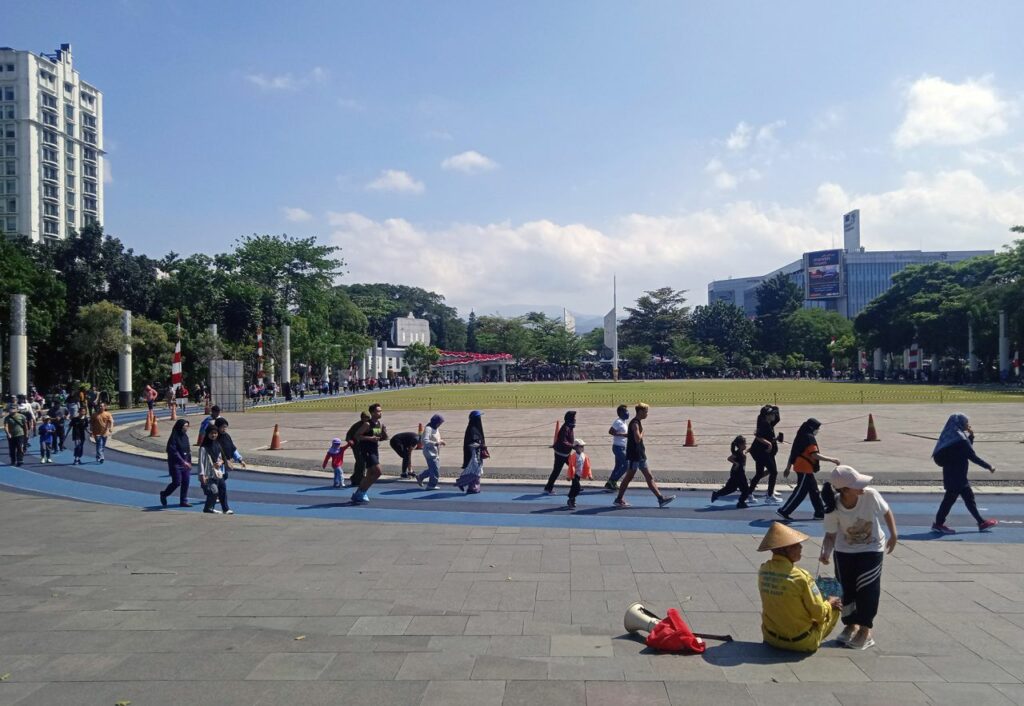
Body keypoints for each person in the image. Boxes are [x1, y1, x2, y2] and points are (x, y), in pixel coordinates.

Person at [819, 466, 898, 650]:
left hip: (872, 548)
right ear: (845, 490)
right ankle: (850, 625)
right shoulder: (833, 507)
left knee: (868, 588)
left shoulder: (870, 495)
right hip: (844, 550)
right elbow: (830, 535)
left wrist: (894, 534)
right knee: (845, 589)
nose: (863, 486)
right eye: (857, 484)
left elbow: (886, 511)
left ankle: (865, 629)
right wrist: (826, 552)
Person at [757, 521, 842, 653]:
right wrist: (830, 603)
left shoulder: (764, 570)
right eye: (796, 545)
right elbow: (818, 613)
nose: (801, 548)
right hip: (801, 642)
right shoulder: (801, 577)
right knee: (835, 606)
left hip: (770, 638)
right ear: (786, 549)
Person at [931, 413, 998, 534]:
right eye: (966, 422)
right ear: (961, 423)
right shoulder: (961, 438)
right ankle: (939, 524)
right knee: (953, 500)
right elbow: (971, 455)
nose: (968, 424)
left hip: (951, 473)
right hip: (958, 475)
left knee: (964, 498)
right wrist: (989, 466)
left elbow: (963, 450)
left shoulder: (950, 435)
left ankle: (981, 522)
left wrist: (971, 436)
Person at [613, 403, 675, 508]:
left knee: (649, 476)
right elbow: (637, 439)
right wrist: (642, 433)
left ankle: (660, 499)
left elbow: (632, 436)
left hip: (640, 454)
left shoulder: (636, 423)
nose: (647, 414)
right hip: (635, 455)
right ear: (640, 412)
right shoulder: (635, 423)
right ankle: (619, 499)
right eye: (646, 412)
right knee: (628, 477)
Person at [778, 418, 839, 521]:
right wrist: (831, 459)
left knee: (814, 491)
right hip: (804, 468)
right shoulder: (809, 438)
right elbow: (814, 455)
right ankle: (785, 510)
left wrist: (788, 467)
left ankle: (819, 513)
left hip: (803, 467)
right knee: (800, 492)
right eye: (817, 428)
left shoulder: (800, 436)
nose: (817, 431)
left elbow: (793, 453)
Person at [352, 403, 387, 504]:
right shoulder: (367, 424)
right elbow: (357, 435)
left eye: (381, 411)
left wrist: (384, 432)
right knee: (378, 472)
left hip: (374, 450)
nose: (380, 413)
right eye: (378, 411)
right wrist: (370, 438)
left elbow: (378, 438)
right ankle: (362, 492)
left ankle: (359, 493)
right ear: (372, 413)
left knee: (370, 474)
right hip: (366, 450)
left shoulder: (378, 424)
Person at [749, 404, 783, 504]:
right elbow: (758, 436)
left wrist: (776, 408)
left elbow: (778, 418)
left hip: (763, 452)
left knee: (759, 473)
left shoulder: (769, 423)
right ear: (767, 415)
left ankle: (749, 493)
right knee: (774, 472)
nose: (774, 415)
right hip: (761, 452)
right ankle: (769, 496)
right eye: (772, 414)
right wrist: (769, 443)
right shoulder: (764, 424)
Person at [711, 435, 754, 509]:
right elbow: (729, 458)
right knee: (745, 489)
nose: (745, 445)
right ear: (740, 445)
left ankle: (716, 494)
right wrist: (736, 463)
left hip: (740, 473)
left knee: (731, 488)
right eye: (744, 444)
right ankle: (741, 502)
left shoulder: (742, 452)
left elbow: (746, 453)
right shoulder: (737, 453)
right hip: (737, 474)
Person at [198, 426, 232, 514]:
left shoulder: (217, 444)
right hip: (208, 475)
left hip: (218, 473)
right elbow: (201, 462)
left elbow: (221, 458)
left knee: (223, 489)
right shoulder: (203, 448)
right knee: (214, 491)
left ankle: (226, 509)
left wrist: (220, 462)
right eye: (212, 433)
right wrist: (202, 475)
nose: (214, 435)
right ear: (208, 434)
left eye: (215, 433)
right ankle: (208, 508)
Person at [160, 419, 193, 507]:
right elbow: (173, 451)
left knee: (186, 481)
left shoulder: (185, 436)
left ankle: (183, 500)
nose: (187, 428)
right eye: (185, 426)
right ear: (180, 427)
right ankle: (164, 494)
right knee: (177, 482)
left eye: (187, 426)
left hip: (186, 462)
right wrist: (182, 462)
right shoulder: (174, 437)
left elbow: (188, 450)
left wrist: (189, 462)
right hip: (176, 463)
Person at [543, 411, 577, 495]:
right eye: (574, 417)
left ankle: (576, 486)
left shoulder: (569, 426)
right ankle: (548, 488)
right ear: (571, 419)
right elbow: (563, 441)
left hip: (566, 453)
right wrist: (572, 446)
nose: (575, 419)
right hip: (561, 454)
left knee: (574, 468)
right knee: (556, 471)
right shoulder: (566, 428)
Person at [455, 411, 486, 494]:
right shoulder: (472, 429)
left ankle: (474, 487)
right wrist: (480, 445)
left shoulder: (476, 429)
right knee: (474, 471)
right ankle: (467, 485)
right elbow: (471, 443)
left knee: (477, 471)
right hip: (473, 455)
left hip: (478, 454)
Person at [604, 405, 630, 492]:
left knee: (618, 466)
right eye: (625, 411)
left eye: (627, 410)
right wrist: (623, 435)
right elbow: (610, 431)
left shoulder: (624, 421)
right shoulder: (618, 421)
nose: (627, 412)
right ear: (620, 413)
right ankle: (613, 480)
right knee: (627, 465)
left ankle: (610, 483)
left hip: (622, 447)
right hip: (618, 447)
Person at [416, 414, 445, 490]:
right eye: (439, 423)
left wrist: (441, 441)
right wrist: (435, 443)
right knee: (435, 470)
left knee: (434, 468)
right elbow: (425, 441)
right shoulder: (428, 429)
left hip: (435, 452)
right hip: (429, 453)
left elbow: (436, 439)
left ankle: (420, 476)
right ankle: (431, 485)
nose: (440, 425)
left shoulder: (436, 428)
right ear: (435, 422)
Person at [346, 412, 370, 487]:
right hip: (357, 446)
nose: (366, 419)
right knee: (361, 462)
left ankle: (355, 478)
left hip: (367, 446)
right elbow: (349, 434)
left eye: (367, 417)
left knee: (362, 462)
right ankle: (360, 478)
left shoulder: (373, 424)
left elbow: (378, 434)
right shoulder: (357, 425)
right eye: (365, 417)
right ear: (361, 418)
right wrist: (349, 440)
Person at [566, 439, 591, 509]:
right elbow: (571, 467)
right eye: (581, 446)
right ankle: (571, 498)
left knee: (574, 487)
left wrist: (589, 475)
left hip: (579, 474)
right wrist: (569, 476)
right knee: (577, 488)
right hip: (574, 475)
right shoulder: (573, 456)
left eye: (583, 446)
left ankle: (571, 498)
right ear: (576, 447)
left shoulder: (584, 456)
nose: (583, 448)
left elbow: (587, 466)